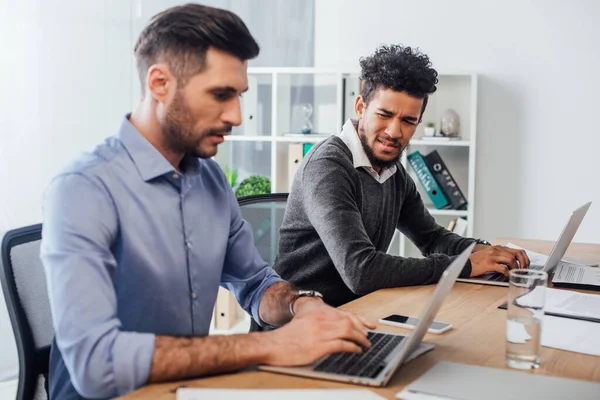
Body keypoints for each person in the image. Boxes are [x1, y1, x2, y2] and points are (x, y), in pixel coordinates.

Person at [41, 4, 374, 399]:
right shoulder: (83, 188)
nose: (236, 115)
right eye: (221, 95)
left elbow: (254, 283)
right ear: (160, 83)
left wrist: (300, 306)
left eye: (239, 96)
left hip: (186, 390)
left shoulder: (211, 180)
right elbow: (95, 363)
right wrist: (273, 345)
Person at [274, 44, 530, 308]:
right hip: (301, 327)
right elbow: (361, 271)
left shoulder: (392, 173)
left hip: (356, 313)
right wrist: (463, 265)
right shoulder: (328, 166)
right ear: (361, 106)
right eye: (384, 115)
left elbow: (432, 238)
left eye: (408, 120)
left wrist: (484, 252)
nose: (395, 132)